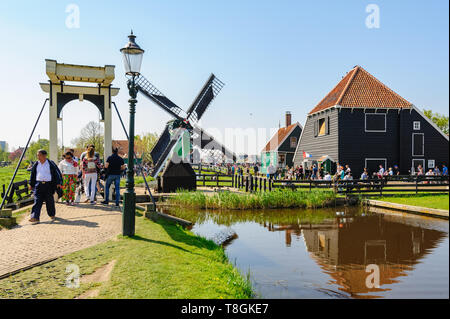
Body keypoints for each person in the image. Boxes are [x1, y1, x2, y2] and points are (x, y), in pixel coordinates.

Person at [28, 149, 62, 224]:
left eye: (39, 155)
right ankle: (35, 217)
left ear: (44, 155)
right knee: (37, 201)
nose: (38, 157)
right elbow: (32, 174)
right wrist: (31, 184)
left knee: (49, 201)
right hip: (38, 185)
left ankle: (52, 214)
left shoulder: (50, 163)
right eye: (37, 155)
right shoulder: (36, 164)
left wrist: (58, 182)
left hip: (48, 185)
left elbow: (57, 173)